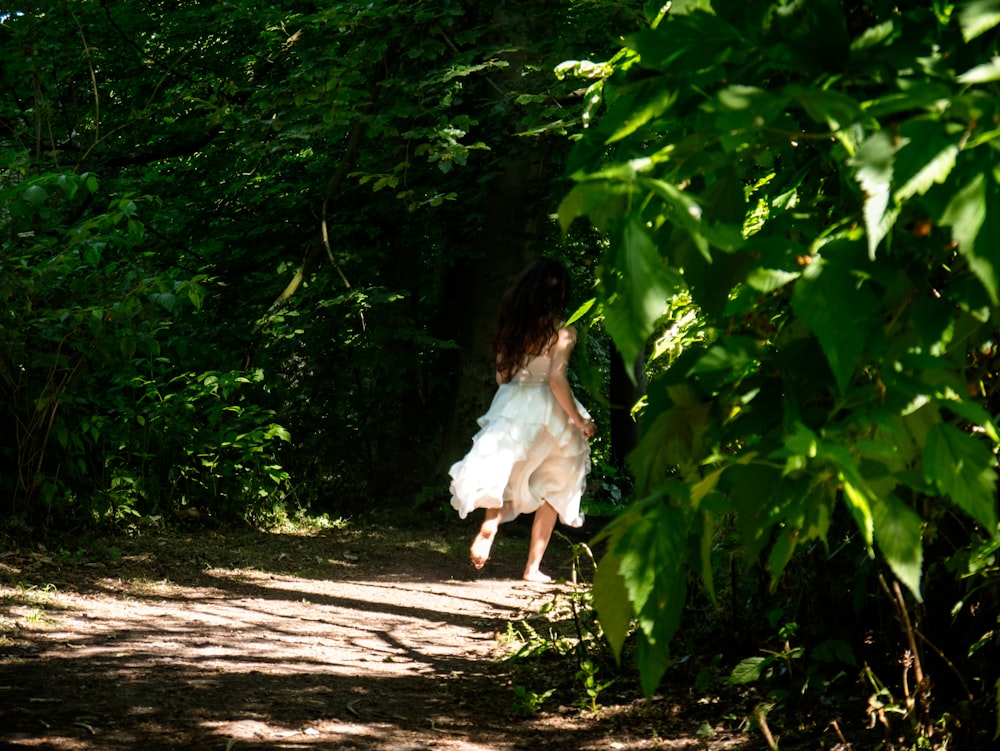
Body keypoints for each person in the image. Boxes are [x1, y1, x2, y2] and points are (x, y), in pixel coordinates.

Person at [449, 258, 596, 583]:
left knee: (508, 471)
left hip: (513, 399)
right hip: (549, 404)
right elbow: (557, 380)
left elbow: (502, 376)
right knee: (556, 483)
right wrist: (579, 420)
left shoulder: (511, 327)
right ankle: (532, 568)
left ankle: (490, 525)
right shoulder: (562, 332)